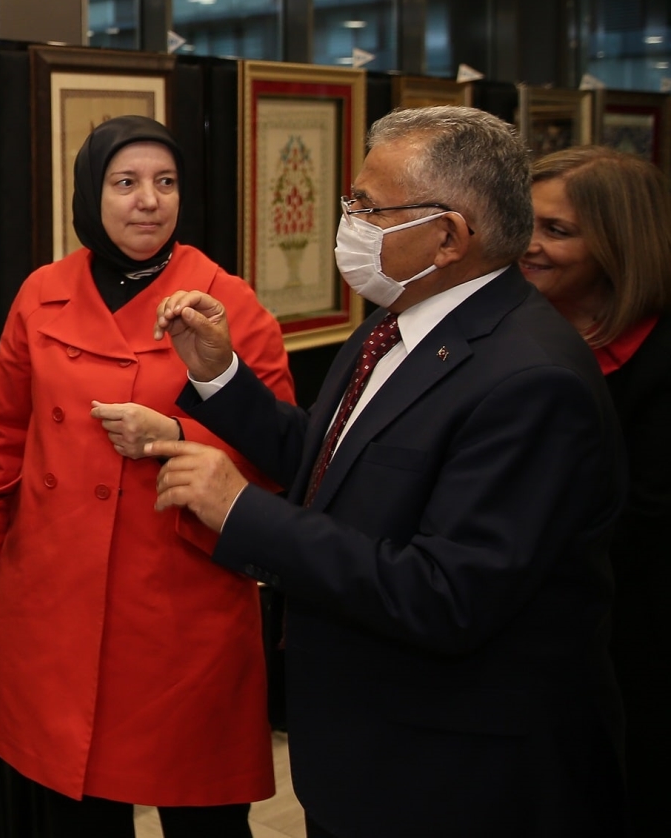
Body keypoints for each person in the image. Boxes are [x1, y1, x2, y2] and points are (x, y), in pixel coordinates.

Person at [147, 106, 625, 838]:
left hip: (453, 775)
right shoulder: (398, 318)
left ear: (448, 236)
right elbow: (335, 462)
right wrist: (220, 377)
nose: (351, 223)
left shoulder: (532, 380)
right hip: (365, 748)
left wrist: (242, 512)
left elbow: (445, 595)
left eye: (369, 208)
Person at [0, 116, 293, 836]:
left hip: (179, 604)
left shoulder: (224, 300)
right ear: (91, 193)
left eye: (165, 182)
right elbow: (4, 441)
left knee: (203, 816)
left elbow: (280, 454)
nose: (149, 200)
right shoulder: (42, 293)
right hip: (56, 601)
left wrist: (175, 435)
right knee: (73, 810)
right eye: (126, 182)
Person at [522, 146, 671, 836]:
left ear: (619, 245)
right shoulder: (523, 329)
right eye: (525, 222)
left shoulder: (657, 361)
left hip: (636, 638)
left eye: (556, 230)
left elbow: (643, 521)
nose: (529, 245)